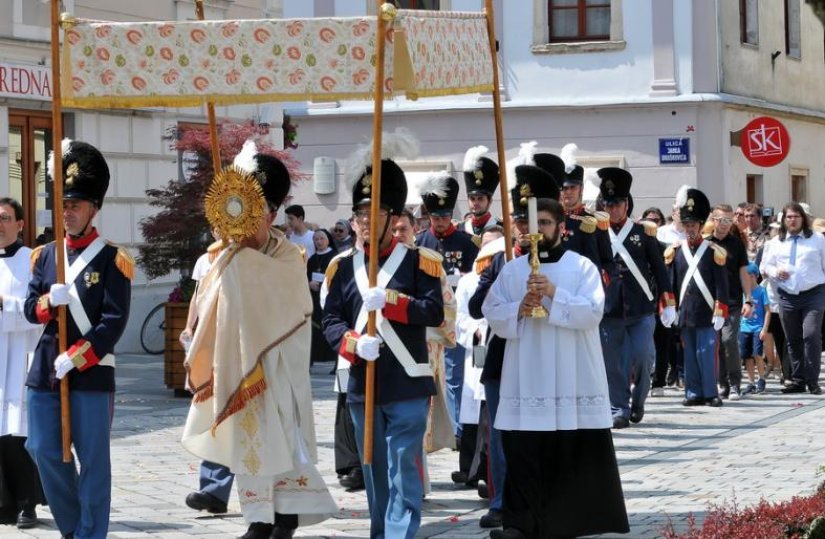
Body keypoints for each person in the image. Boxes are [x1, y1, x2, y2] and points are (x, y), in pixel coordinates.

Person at [182, 140, 336, 539]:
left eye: (257, 213)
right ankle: (258, 518)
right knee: (248, 443)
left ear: (271, 214)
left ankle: (285, 516)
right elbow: (210, 298)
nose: (248, 224)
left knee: (282, 440)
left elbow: (288, 306)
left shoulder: (287, 257)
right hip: (238, 364)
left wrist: (236, 261)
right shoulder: (223, 256)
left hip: (276, 367)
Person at [482, 196, 628, 539]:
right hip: (527, 372)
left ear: (561, 227)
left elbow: (593, 312)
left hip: (570, 373)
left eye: (544, 223)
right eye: (528, 224)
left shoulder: (580, 267)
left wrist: (552, 293)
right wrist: (519, 307)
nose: (535, 230)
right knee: (524, 451)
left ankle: (567, 522)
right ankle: (519, 524)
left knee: (567, 450)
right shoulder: (513, 270)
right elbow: (492, 310)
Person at [323, 129, 445, 538]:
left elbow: (433, 310)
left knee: (402, 463)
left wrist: (392, 301)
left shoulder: (419, 263)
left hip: (408, 380)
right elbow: (331, 321)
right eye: (359, 215)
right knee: (374, 467)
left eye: (372, 215)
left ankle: (400, 532)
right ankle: (381, 529)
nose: (363, 223)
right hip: (364, 379)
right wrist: (355, 344)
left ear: (391, 220)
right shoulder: (341, 267)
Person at [25, 139, 133, 539]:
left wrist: (79, 356)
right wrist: (45, 305)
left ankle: (90, 534)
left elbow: (114, 321)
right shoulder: (45, 256)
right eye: (63, 205)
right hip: (46, 369)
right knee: (40, 448)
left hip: (90, 371)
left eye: (75, 205)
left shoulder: (112, 259)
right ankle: (72, 526)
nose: (67, 213)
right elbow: (27, 307)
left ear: (94, 209)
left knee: (92, 459)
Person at [468, 161, 561, 530]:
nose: (527, 230)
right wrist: (506, 288)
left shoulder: (567, 259)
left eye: (534, 222)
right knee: (502, 435)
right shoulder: (500, 261)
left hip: (548, 356)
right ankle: (500, 501)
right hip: (504, 357)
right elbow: (477, 306)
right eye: (521, 223)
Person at [597, 169, 675, 429]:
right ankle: (619, 407)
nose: (613, 209)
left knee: (643, 356)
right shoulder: (597, 234)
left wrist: (667, 301)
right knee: (614, 364)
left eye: (617, 203)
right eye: (608, 204)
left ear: (626, 204)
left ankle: (639, 398)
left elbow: (659, 269)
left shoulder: (643, 234)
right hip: (609, 310)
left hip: (641, 307)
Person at [415, 171, 479, 465]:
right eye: (434, 216)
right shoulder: (419, 241)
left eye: (443, 216)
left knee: (456, 376)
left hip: (458, 316)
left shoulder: (466, 242)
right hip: (430, 320)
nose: (439, 221)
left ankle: (458, 429)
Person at [180, 234, 236, 516]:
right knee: (218, 416)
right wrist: (191, 328)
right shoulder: (208, 259)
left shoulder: (266, 254)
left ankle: (274, 499)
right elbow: (199, 297)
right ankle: (214, 489)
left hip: (250, 347)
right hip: (216, 345)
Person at [0, 198, 45, 529]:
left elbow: (38, 310)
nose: (0, 224)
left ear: (20, 224)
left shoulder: (32, 261)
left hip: (19, 357)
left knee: (19, 435)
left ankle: (27, 505)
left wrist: (5, 305)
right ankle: (3, 504)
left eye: (5, 218)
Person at [665, 186, 728, 407]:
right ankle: (693, 392)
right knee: (689, 354)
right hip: (686, 312)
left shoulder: (713, 252)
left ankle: (710, 392)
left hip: (707, 310)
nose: (690, 229)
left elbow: (721, 285)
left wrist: (721, 311)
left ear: (701, 225)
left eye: (693, 225)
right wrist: (669, 308)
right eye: (687, 225)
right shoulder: (675, 251)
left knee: (707, 353)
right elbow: (671, 285)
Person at [760, 202, 825, 395]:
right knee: (793, 338)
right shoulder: (775, 243)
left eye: (796, 216)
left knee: (811, 335)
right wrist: (775, 271)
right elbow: (765, 266)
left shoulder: (817, 239)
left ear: (803, 219)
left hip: (813, 292)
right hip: (787, 295)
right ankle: (797, 379)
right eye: (789, 217)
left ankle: (812, 381)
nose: (793, 220)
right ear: (784, 220)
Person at [707, 204, 752, 401]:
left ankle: (735, 383)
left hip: (732, 301)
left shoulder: (736, 244)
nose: (724, 224)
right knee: (716, 343)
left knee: (729, 340)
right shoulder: (705, 243)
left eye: (728, 220)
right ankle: (722, 383)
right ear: (713, 220)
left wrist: (748, 299)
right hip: (710, 302)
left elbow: (743, 272)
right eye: (720, 220)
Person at [307, 229, 338, 365]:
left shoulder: (335, 257)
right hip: (314, 297)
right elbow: (306, 276)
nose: (319, 242)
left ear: (328, 239)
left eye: (321, 239)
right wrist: (309, 283)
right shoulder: (312, 259)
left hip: (330, 297)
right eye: (316, 239)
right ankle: (313, 358)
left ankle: (332, 359)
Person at [739, 262, 770, 395]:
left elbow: (768, 311)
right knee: (747, 357)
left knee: (757, 354)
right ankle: (751, 382)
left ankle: (761, 379)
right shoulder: (743, 293)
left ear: (754, 276)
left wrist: (764, 329)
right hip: (744, 327)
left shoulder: (762, 291)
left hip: (757, 327)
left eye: (748, 276)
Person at [461, 145, 503, 240]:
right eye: (472, 199)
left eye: (480, 199)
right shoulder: (460, 229)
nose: (475, 203)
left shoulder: (502, 229)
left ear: (490, 200)